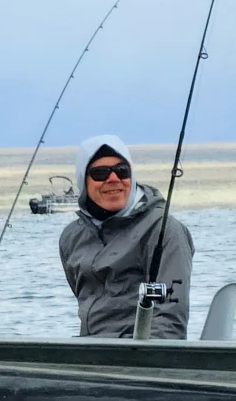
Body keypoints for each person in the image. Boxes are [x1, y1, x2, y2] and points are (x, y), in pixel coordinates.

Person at [59, 135, 193, 339]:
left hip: (138, 357)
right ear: (83, 180)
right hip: (88, 351)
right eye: (100, 173)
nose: (113, 179)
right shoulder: (72, 237)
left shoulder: (164, 230)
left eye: (122, 171)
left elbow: (170, 322)